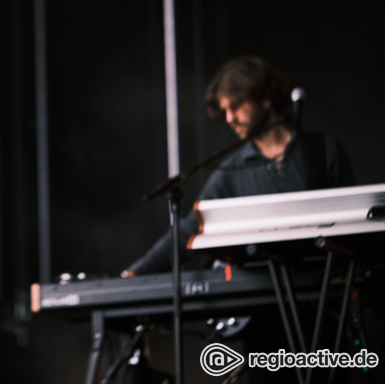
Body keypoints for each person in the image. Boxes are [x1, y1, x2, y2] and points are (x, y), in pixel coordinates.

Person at [123, 55, 355, 277]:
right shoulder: (232, 169)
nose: (229, 118)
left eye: (236, 106)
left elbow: (354, 222)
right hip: (266, 303)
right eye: (224, 110)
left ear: (265, 98)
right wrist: (137, 272)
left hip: (326, 292)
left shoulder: (324, 150)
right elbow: (190, 229)